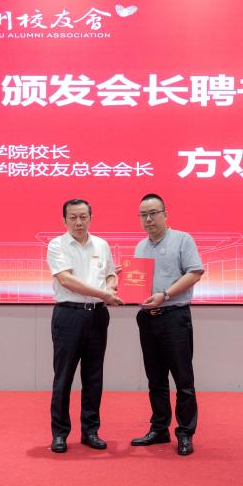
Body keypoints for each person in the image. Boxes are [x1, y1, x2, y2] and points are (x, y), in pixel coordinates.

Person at [46, 198, 123, 453]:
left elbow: (110, 273)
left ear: (91, 218)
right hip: (69, 315)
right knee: (64, 377)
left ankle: (90, 431)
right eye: (73, 217)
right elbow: (66, 280)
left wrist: (111, 285)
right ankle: (60, 434)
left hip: (98, 316)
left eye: (83, 217)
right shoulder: (56, 245)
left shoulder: (101, 244)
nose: (78, 222)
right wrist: (104, 293)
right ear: (64, 220)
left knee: (93, 377)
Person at [131, 193, 204, 456]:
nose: (148, 219)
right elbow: (137, 283)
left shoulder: (182, 239)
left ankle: (185, 433)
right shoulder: (140, 247)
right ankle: (159, 428)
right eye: (143, 215)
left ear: (165, 214)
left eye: (153, 213)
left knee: (183, 379)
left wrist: (166, 294)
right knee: (155, 378)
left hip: (174, 317)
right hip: (147, 318)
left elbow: (194, 272)